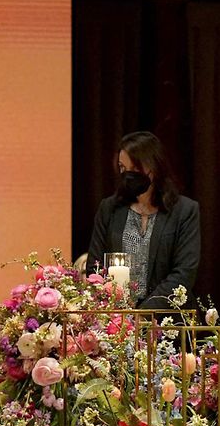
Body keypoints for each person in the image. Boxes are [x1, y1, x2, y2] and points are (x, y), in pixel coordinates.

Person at [85, 131, 201, 309]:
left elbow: (184, 272)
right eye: (122, 168)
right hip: (117, 317)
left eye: (135, 168)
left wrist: (144, 313)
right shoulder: (109, 208)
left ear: (154, 167)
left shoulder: (184, 211)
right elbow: (95, 267)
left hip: (167, 315)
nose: (127, 174)